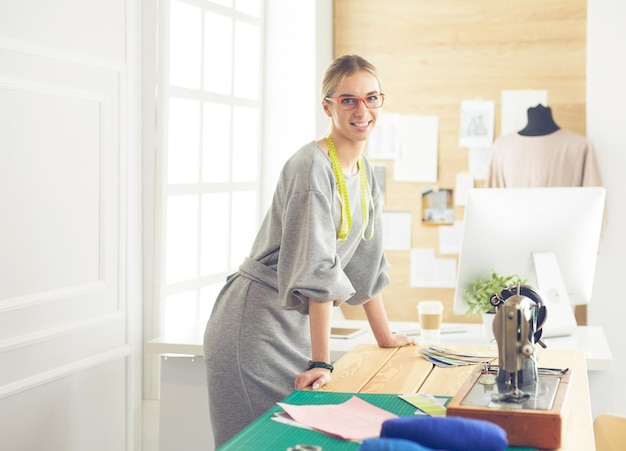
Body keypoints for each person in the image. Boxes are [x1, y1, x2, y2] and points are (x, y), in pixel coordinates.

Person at [203, 54, 415, 447]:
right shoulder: (311, 168)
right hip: (255, 328)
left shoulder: (365, 171)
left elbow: (366, 265)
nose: (362, 109)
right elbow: (318, 271)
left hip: (293, 327)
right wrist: (321, 361)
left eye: (372, 98)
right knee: (259, 444)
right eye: (348, 100)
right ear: (328, 106)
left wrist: (384, 337)